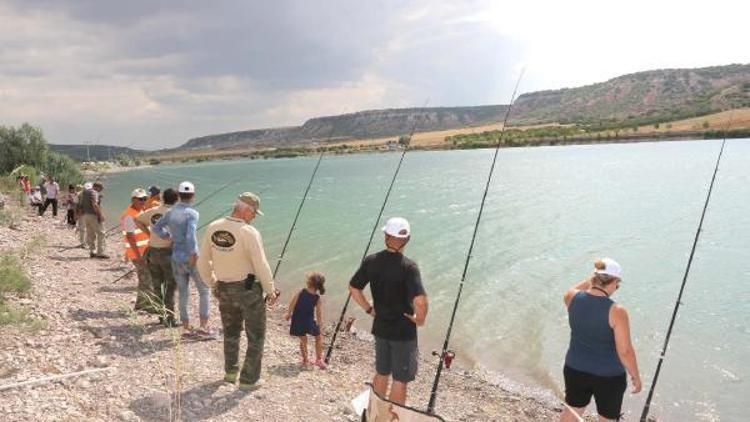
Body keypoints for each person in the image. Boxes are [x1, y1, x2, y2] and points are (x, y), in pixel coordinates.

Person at [197, 192, 278, 391]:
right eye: (254, 213)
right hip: (248, 290)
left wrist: (213, 284)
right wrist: (271, 290)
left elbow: (202, 261)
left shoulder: (213, 227)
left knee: (231, 333)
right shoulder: (248, 232)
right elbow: (261, 265)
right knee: (256, 335)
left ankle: (230, 373)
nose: (254, 217)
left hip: (224, 288)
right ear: (246, 210)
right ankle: (249, 379)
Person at [349, 217, 428, 405]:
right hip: (403, 333)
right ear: (407, 239)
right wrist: (420, 320)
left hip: (381, 328)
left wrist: (369, 309)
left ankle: (376, 414)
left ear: (386, 236)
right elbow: (421, 301)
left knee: (382, 372)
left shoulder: (372, 261)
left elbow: (353, 288)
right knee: (400, 380)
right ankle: (392, 417)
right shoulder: (409, 267)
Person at [560, 258, 642, 422]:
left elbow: (574, 289)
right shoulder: (617, 311)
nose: (616, 288)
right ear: (614, 282)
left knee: (573, 410)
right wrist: (636, 376)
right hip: (609, 377)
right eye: (617, 284)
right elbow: (625, 351)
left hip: (575, 368)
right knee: (607, 418)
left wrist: (592, 279)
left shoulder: (571, 297)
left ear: (594, 278)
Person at [153, 181, 212, 338]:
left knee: (183, 293)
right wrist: (193, 254)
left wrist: (169, 237)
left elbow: (156, 227)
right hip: (191, 257)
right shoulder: (192, 213)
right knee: (204, 291)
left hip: (176, 256)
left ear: (178, 195)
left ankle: (185, 328)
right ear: (193, 195)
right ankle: (204, 327)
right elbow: (191, 235)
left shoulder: (170, 212)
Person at [137, 188, 179, 326]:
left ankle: (161, 316)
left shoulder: (154, 211)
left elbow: (137, 220)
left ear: (162, 198)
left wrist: (149, 234)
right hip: (168, 254)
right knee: (170, 287)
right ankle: (170, 319)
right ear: (177, 198)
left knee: (157, 286)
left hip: (152, 253)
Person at [121, 188, 155, 312]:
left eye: (145, 198)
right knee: (147, 278)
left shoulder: (141, 212)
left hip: (144, 251)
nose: (143, 201)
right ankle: (148, 305)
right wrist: (138, 255)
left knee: (144, 278)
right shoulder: (130, 216)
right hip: (138, 253)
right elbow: (130, 237)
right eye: (140, 199)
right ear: (133, 199)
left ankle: (141, 304)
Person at [284, 271, 327, 369]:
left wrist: (289, 313)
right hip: (308, 321)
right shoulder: (317, 298)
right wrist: (320, 324)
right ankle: (318, 359)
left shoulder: (302, 291)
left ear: (309, 282)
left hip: (298, 320)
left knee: (303, 340)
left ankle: (305, 359)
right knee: (318, 337)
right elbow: (319, 313)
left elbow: (292, 303)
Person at [80, 182, 108, 258]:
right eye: (101, 188)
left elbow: (82, 203)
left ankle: (92, 251)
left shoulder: (85, 192)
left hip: (86, 215)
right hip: (93, 215)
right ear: (97, 187)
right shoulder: (94, 192)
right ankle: (100, 252)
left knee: (90, 233)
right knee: (101, 233)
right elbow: (94, 204)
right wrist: (100, 215)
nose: (101, 190)